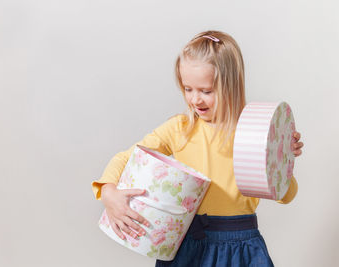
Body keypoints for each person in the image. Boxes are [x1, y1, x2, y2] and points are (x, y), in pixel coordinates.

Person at [91, 30, 304, 267]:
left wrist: (280, 157)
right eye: (188, 89)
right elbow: (126, 158)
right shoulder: (179, 128)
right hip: (188, 247)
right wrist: (108, 192)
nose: (195, 100)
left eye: (206, 91)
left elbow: (287, 195)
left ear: (231, 85)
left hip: (240, 247)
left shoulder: (253, 132)